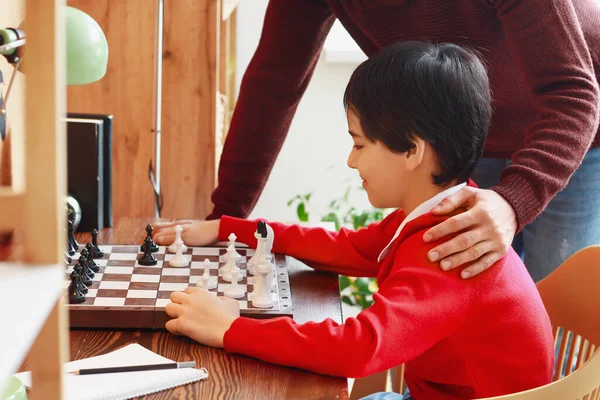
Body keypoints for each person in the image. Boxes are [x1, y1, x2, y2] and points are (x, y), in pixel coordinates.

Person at [154, 42, 554, 399]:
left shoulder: (449, 246)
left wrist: (231, 327)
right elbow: (346, 248)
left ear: (413, 151)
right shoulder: (437, 213)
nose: (351, 160)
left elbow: (359, 347)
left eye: (359, 144)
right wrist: (231, 229)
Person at [203, 0, 600, 283]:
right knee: (462, 300)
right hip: (461, 137)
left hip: (571, 132)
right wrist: (226, 219)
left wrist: (514, 201)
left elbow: (573, 94)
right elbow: (273, 85)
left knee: (552, 315)